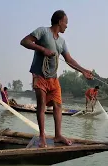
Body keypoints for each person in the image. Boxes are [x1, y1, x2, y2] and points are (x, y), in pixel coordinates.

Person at [20, 10, 93, 148]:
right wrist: (42, 49)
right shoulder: (42, 31)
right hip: (39, 75)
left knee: (58, 106)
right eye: (66, 23)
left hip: (53, 79)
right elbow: (24, 41)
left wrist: (83, 71)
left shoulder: (61, 41)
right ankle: (42, 137)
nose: (66, 26)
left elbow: (69, 60)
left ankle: (58, 135)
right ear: (59, 22)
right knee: (41, 105)